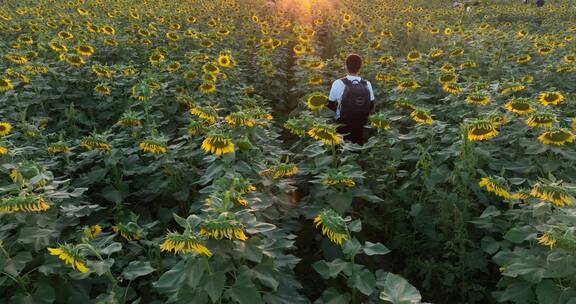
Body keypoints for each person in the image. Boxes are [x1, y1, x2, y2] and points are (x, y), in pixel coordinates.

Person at [326, 54, 375, 145]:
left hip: (342, 123)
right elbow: (371, 105)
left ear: (346, 66)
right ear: (360, 67)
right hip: (361, 123)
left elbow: (330, 105)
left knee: (341, 149)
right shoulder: (367, 84)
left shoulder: (338, 83)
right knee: (357, 148)